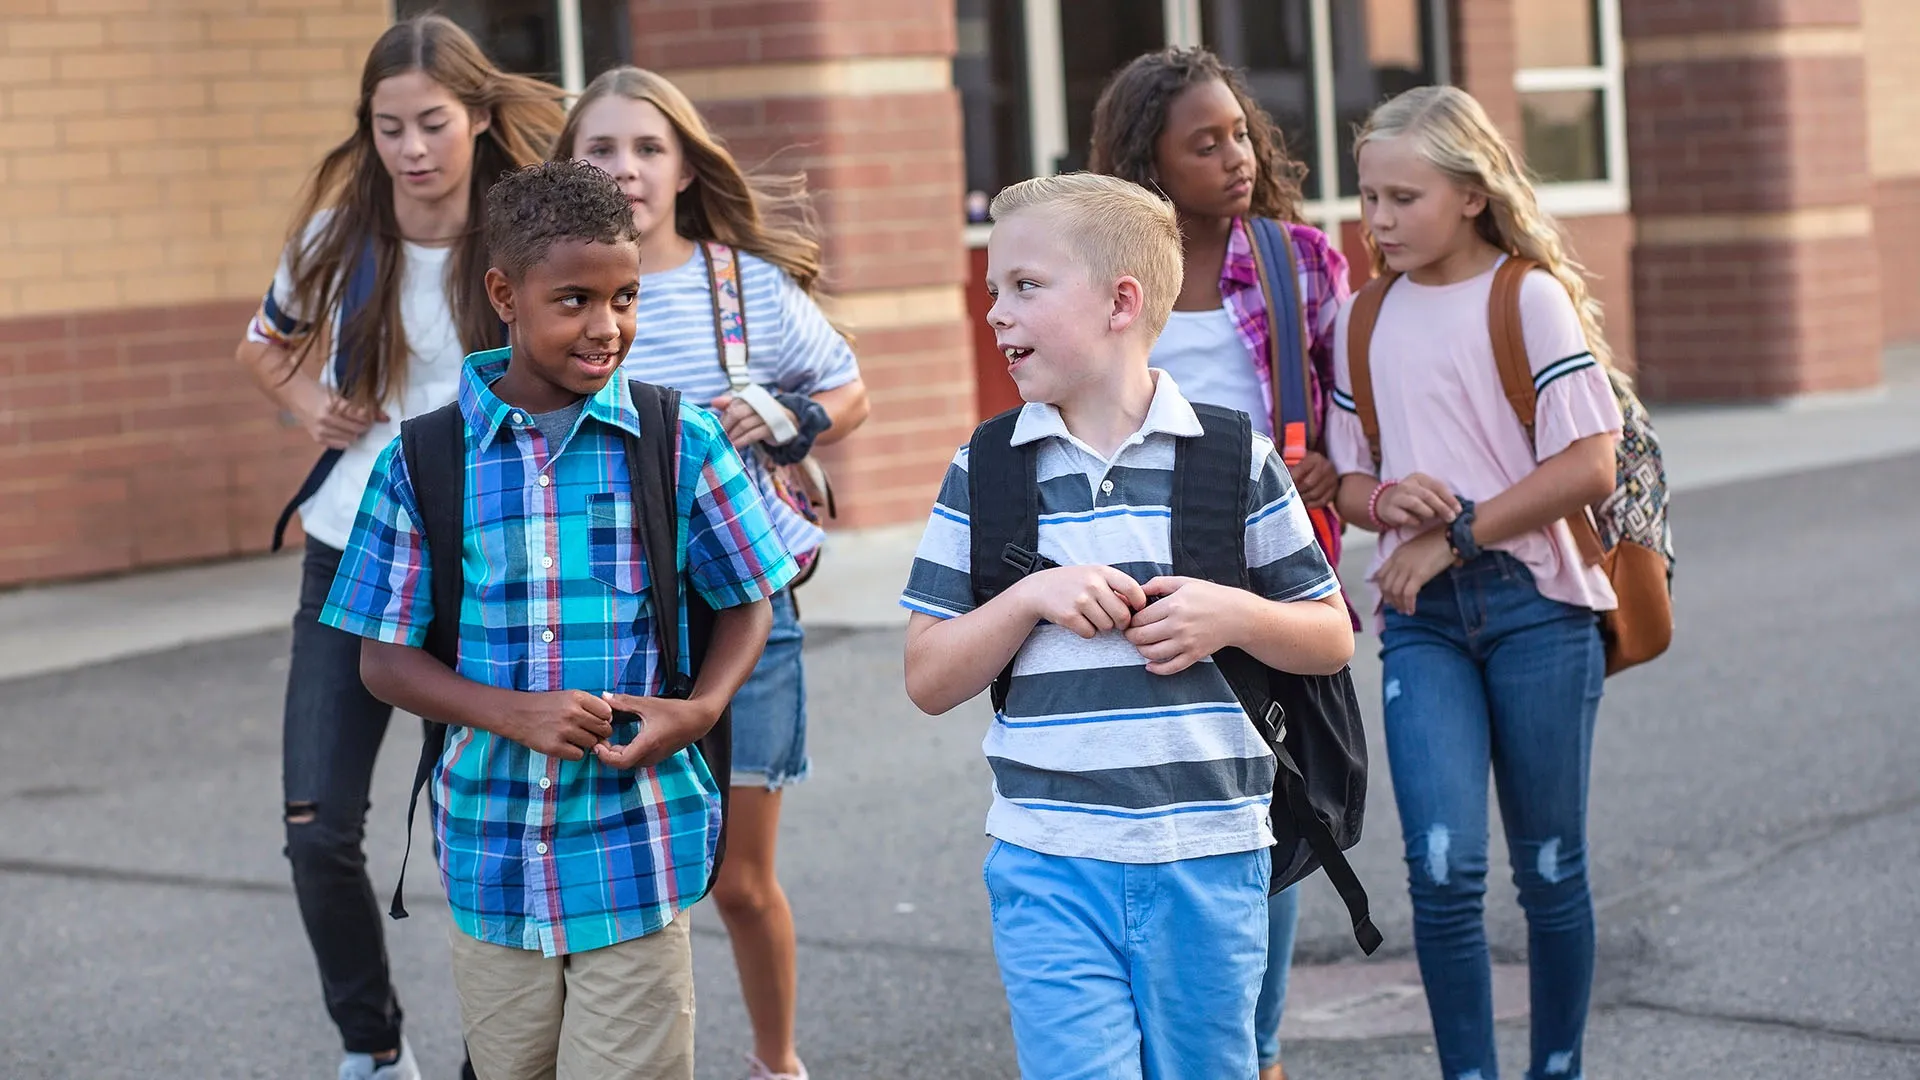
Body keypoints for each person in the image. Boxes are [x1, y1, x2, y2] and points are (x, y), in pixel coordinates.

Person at [320, 159, 799, 1079]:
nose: (606, 325)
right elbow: (383, 661)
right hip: (492, 858)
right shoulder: (423, 461)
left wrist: (698, 712)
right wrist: (514, 713)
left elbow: (749, 597)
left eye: (624, 298)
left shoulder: (678, 439)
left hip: (638, 846)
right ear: (505, 293)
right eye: (574, 299)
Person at [900, 172, 1355, 1080]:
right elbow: (928, 676)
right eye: (994, 290)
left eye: (1025, 286)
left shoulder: (1234, 458)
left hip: (1209, 857)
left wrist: (1228, 616)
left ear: (1121, 301)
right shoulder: (986, 470)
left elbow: (1329, 634)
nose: (996, 312)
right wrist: (1030, 599)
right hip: (1048, 859)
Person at [233, 17, 562, 1078]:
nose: (412, 148)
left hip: (489, 573)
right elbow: (263, 343)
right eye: (389, 128)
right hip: (351, 561)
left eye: (431, 123)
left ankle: (495, 1060)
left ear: (474, 116)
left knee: (499, 833)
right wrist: (309, 404)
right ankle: (373, 1050)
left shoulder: (522, 232)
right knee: (317, 828)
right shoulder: (341, 236)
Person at [553, 66, 870, 1080]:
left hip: (748, 607)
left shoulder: (741, 286)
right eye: (601, 149)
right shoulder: (555, 293)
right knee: (626, 873)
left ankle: (777, 1064)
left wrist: (791, 421)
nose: (627, 168)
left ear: (686, 168)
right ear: (570, 169)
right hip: (613, 614)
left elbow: (844, 386)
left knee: (739, 880)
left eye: (648, 149)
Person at [1326, 85, 1623, 1080]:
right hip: (1425, 622)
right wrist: (1386, 501)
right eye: (1369, 197)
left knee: (1549, 870)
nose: (1378, 220)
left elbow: (1589, 464)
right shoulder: (1361, 318)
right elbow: (1347, 476)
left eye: (1403, 198)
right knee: (1442, 872)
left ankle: (1556, 1070)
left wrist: (1453, 533)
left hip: (1540, 608)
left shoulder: (1527, 296)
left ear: (1468, 192)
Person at [1088, 46, 1353, 1080]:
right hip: (1135, 601)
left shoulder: (1299, 263)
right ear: (1149, 164)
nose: (1235, 156)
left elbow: (1354, 406)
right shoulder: (1110, 280)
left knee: (1267, 827)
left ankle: (1257, 1050)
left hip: (1267, 598)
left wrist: (1345, 466)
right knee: (1147, 827)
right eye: (1205, 143)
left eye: (1240, 132)